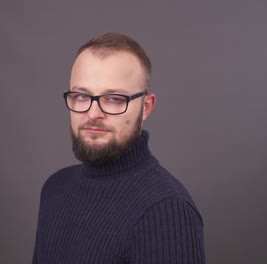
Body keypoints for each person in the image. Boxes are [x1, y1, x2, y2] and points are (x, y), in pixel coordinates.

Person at [33, 32, 205, 263]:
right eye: (82, 96)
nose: (93, 114)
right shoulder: (55, 188)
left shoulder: (166, 209)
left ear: (146, 107)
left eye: (114, 99)